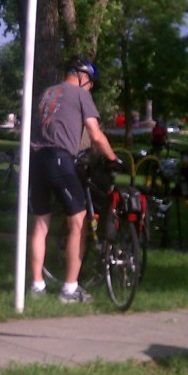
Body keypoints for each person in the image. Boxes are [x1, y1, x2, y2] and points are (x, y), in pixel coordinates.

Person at [30, 57, 121, 304]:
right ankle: (70, 290)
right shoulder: (81, 95)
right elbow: (95, 134)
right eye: (91, 83)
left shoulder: (46, 93)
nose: (90, 87)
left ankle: (36, 285)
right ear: (83, 77)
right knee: (78, 222)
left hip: (35, 159)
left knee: (40, 224)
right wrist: (112, 158)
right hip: (60, 158)